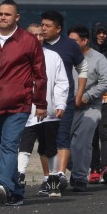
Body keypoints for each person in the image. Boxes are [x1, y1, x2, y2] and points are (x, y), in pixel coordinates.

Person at [0, 0, 47, 206]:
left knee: (8, 147)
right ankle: (16, 193)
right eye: (0, 14)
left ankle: (2, 185)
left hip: (18, 104)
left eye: (7, 14)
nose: (3, 17)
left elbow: (40, 74)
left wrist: (40, 103)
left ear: (17, 17)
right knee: (0, 151)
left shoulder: (28, 41)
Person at [40, 11, 87, 192]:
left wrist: (79, 93)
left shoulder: (70, 46)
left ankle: (60, 175)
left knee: (62, 137)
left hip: (65, 99)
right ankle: (47, 177)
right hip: (41, 102)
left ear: (58, 29)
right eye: (42, 25)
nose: (43, 29)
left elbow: (82, 67)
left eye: (48, 26)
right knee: (44, 141)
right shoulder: (36, 44)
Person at [17, 34, 68, 197]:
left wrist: (60, 103)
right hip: (25, 110)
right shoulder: (19, 54)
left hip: (49, 110)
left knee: (49, 148)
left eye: (40, 34)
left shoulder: (53, 56)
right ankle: (19, 180)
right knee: (24, 146)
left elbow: (61, 82)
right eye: (34, 34)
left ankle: (53, 182)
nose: (38, 37)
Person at [68, 25, 107, 192]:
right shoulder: (66, 57)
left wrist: (87, 96)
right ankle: (74, 170)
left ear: (85, 41)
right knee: (63, 145)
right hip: (68, 107)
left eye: (74, 41)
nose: (70, 44)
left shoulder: (98, 58)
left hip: (90, 107)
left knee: (82, 143)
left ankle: (79, 178)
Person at [89, 22, 107, 182]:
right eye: (98, 32)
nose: (101, 35)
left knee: (106, 135)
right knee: (92, 135)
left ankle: (106, 167)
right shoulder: (88, 52)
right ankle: (94, 168)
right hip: (91, 99)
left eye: (104, 33)